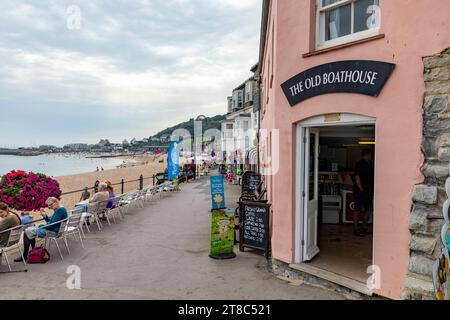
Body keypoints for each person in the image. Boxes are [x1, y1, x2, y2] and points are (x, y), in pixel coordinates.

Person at [15, 197, 68, 262]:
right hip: (55, 231)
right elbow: (51, 222)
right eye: (48, 205)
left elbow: (51, 225)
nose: (49, 207)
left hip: (53, 232)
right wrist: (44, 216)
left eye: (50, 205)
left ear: (55, 202)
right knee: (30, 231)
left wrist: (40, 227)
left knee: (27, 232)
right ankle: (32, 252)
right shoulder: (60, 209)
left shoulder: (59, 210)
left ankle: (25, 255)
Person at [352, 149, 375, 237]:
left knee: (368, 209)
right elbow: (357, 177)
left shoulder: (372, 163)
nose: (371, 157)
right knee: (357, 209)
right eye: (370, 155)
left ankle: (364, 227)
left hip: (369, 191)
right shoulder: (359, 163)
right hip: (360, 191)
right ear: (366, 155)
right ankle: (356, 229)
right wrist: (361, 188)